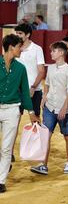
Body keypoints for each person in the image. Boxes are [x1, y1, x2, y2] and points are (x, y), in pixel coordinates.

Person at [0, 34, 40, 193]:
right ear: (11, 47)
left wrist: (31, 111)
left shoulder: (20, 68)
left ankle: (1, 180)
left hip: (12, 110)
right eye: (19, 47)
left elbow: (24, 92)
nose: (21, 50)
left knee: (6, 148)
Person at [30, 42, 68, 176]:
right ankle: (43, 165)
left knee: (67, 136)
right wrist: (44, 96)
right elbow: (47, 84)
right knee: (46, 136)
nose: (51, 53)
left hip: (64, 109)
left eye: (53, 51)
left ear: (61, 53)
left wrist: (64, 108)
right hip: (49, 107)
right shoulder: (50, 67)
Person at [15, 24, 46, 119]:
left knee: (35, 119)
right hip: (17, 90)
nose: (17, 35)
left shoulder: (37, 49)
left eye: (20, 33)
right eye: (16, 33)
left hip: (34, 90)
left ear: (28, 35)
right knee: (15, 118)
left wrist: (33, 87)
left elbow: (41, 71)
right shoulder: (15, 49)